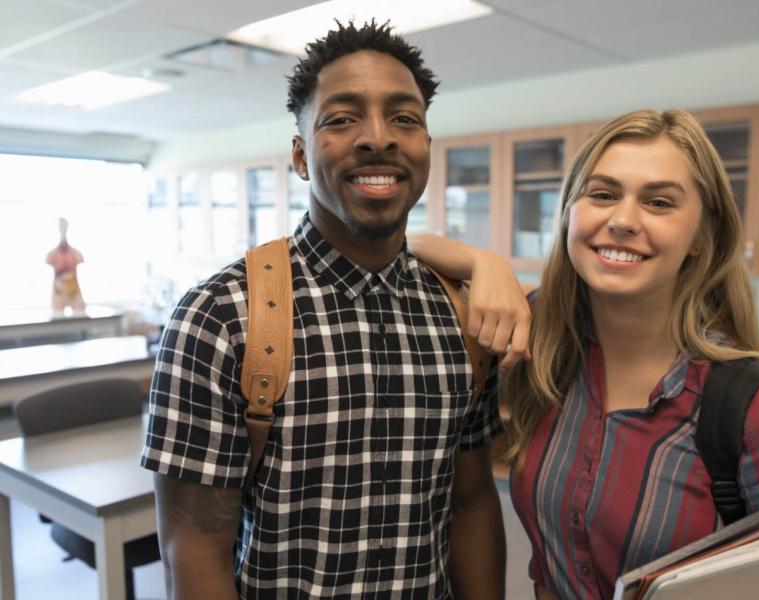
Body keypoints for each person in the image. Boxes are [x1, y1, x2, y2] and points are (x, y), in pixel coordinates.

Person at [412, 109, 759, 599]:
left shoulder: (753, 407)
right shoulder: (545, 343)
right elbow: (410, 241)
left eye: (658, 202)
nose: (623, 220)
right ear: (570, 212)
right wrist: (486, 262)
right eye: (603, 194)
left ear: (701, 237)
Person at [141, 21, 524, 599]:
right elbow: (194, 543)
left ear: (425, 147)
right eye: (342, 118)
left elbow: (470, 506)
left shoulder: (459, 317)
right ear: (300, 156)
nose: (377, 138)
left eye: (404, 118)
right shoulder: (221, 316)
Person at [46, 217, 86, 316]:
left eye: (64, 227)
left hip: (73, 287)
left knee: (79, 313)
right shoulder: (53, 254)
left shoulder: (74, 253)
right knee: (58, 316)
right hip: (59, 288)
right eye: (61, 227)